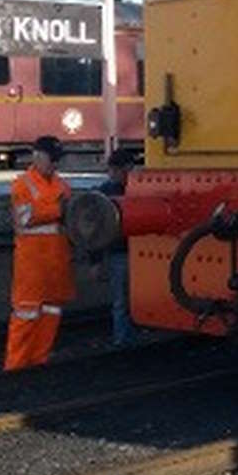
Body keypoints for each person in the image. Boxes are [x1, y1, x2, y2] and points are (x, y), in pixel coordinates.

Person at [3, 136, 74, 371]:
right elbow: (25, 216)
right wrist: (58, 209)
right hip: (32, 263)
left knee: (51, 312)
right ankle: (16, 366)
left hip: (56, 261)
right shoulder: (22, 184)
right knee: (26, 313)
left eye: (57, 160)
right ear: (37, 156)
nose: (55, 165)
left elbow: (68, 216)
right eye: (52, 159)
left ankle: (39, 362)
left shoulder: (62, 185)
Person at [89, 147, 137, 347]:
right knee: (123, 301)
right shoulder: (111, 192)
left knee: (121, 300)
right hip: (125, 251)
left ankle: (124, 337)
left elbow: (93, 229)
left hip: (121, 251)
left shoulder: (103, 193)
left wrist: (95, 260)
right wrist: (96, 260)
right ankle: (124, 337)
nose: (114, 174)